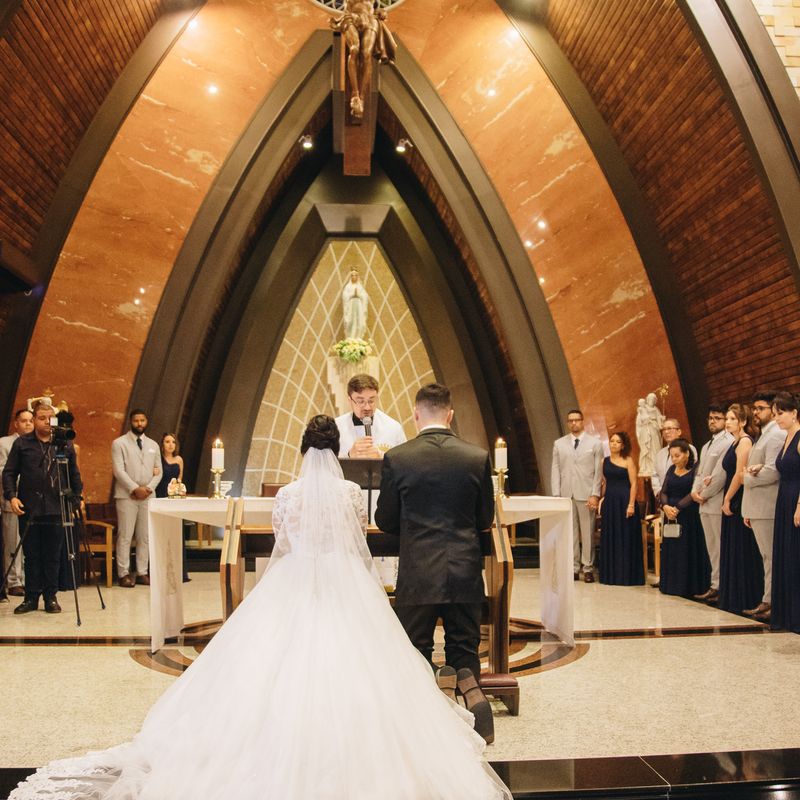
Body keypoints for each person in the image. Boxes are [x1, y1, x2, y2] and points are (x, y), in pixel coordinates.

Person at [10, 415, 511, 800]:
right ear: (335, 450)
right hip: (345, 581)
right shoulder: (351, 493)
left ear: (300, 450)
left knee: (268, 667)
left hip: (292, 582)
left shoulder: (290, 495)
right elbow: (357, 538)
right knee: (370, 663)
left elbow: (284, 547)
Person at [375, 383, 496, 743]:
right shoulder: (475, 456)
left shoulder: (399, 458)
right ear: (450, 414)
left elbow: (386, 520)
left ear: (416, 415)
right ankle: (474, 704)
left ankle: (422, 725)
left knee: (416, 647)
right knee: (463, 646)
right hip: (464, 568)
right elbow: (484, 517)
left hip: (419, 569)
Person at [1, 401, 82, 614]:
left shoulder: (64, 444)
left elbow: (74, 474)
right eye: (42, 418)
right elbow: (9, 473)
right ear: (34, 420)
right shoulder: (22, 444)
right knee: (32, 554)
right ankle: (31, 598)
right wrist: (12, 497)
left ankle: (51, 597)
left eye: (50, 418)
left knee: (52, 554)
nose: (47, 422)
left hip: (56, 507)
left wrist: (76, 498)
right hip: (29, 507)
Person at [742, 390, 784, 620]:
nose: (756, 413)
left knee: (770, 557)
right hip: (757, 505)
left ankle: (770, 601)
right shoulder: (763, 434)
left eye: (761, 408)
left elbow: (771, 471)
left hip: (767, 505)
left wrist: (745, 477)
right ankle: (767, 599)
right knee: (766, 557)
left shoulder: (776, 435)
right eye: (754, 409)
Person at [716, 404, 762, 615]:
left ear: (743, 422)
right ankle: (731, 594)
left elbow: (739, 474)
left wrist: (727, 498)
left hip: (738, 496)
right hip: (731, 491)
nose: (728, 422)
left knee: (740, 545)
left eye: (733, 419)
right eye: (727, 418)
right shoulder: (733, 441)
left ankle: (744, 595)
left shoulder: (744, 441)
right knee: (731, 544)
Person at [551, 408, 603, 582]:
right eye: (570, 420)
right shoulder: (559, 443)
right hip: (567, 493)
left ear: (582, 421)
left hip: (586, 493)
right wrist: (557, 494)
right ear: (568, 423)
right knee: (570, 532)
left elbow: (598, 471)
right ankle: (573, 567)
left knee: (587, 531)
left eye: (577, 420)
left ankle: (587, 567)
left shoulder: (594, 443)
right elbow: (556, 469)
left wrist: (595, 494)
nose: (574, 423)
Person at [111, 409, 161, 587]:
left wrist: (147, 488)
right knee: (125, 535)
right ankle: (123, 573)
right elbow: (118, 470)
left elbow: (158, 471)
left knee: (144, 536)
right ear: (130, 422)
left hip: (147, 495)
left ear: (146, 422)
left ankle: (142, 572)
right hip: (127, 495)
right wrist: (134, 488)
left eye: (142, 420)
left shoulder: (153, 445)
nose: (139, 424)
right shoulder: (119, 443)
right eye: (136, 421)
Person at [691, 404, 734, 602]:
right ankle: (714, 583)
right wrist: (695, 490)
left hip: (715, 500)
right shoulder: (706, 445)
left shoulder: (728, 442)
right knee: (711, 546)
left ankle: (723, 585)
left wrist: (705, 493)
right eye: (710, 418)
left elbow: (720, 474)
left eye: (717, 418)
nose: (712, 421)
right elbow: (700, 472)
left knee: (720, 545)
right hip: (703, 502)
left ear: (726, 420)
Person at [659, 439, 711, 597]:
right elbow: (664, 491)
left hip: (689, 515)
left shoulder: (696, 469)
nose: (674, 459)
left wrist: (678, 507)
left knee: (687, 550)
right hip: (670, 515)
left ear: (687, 453)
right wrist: (665, 506)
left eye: (677, 455)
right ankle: (671, 584)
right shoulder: (671, 470)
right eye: (672, 456)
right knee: (672, 550)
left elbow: (695, 490)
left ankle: (688, 586)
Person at [770, 391, 800, 633]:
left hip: (796, 499)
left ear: (794, 413)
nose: (776, 418)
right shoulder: (785, 438)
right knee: (786, 554)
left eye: (780, 413)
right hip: (783, 499)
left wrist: (799, 506)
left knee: (795, 555)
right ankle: (788, 614)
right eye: (774, 414)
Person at [598, 431, 644, 585]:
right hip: (610, 502)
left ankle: (626, 575)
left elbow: (634, 484)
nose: (614, 444)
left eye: (618, 442)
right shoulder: (604, 461)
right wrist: (600, 500)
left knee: (625, 537)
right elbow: (604, 483)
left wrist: (631, 504)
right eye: (612, 441)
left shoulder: (628, 460)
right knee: (611, 536)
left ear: (623, 445)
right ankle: (611, 575)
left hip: (625, 501)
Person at [0, 408, 34, 598]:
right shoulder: (4, 443)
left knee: (30, 542)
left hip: (32, 501)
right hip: (13, 498)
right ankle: (13, 581)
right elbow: (3, 471)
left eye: (31, 420)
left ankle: (28, 579)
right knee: (13, 543)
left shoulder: (36, 444)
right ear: (16, 423)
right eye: (24, 421)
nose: (28, 424)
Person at [335, 373, 406, 458]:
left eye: (371, 401)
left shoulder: (393, 428)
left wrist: (381, 457)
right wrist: (349, 455)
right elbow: (326, 465)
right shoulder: (336, 427)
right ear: (350, 400)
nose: (367, 407)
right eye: (361, 402)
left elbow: (404, 463)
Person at [155, 432, 189, 582]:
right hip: (160, 495)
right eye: (167, 441)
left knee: (176, 534)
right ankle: (160, 571)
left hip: (174, 497)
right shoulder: (157, 459)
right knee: (161, 534)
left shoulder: (179, 459)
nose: (170, 444)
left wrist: (178, 490)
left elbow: (180, 478)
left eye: (173, 442)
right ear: (162, 444)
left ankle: (179, 571)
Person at [652, 419, 697, 496]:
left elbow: (693, 472)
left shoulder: (688, 448)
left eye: (669, 428)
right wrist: (659, 492)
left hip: (683, 495)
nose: (666, 432)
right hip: (663, 498)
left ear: (679, 431)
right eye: (664, 429)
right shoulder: (660, 454)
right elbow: (655, 475)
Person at [636, 393, 664, 477]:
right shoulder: (642, 409)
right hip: (646, 430)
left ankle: (657, 466)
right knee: (647, 447)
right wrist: (645, 419)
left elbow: (659, 422)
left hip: (654, 429)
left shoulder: (656, 409)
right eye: (650, 399)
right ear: (647, 400)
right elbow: (639, 422)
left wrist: (662, 419)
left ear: (655, 401)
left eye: (653, 399)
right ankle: (649, 467)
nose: (651, 401)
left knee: (656, 446)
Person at [341, 269, 369, 340]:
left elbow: (365, 296)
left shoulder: (360, 287)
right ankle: (350, 338)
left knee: (359, 321)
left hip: (359, 306)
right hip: (350, 306)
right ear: (350, 277)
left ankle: (358, 337)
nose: (354, 277)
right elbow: (345, 296)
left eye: (356, 275)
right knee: (350, 321)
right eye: (352, 275)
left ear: (358, 277)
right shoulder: (348, 287)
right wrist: (352, 294)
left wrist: (359, 295)